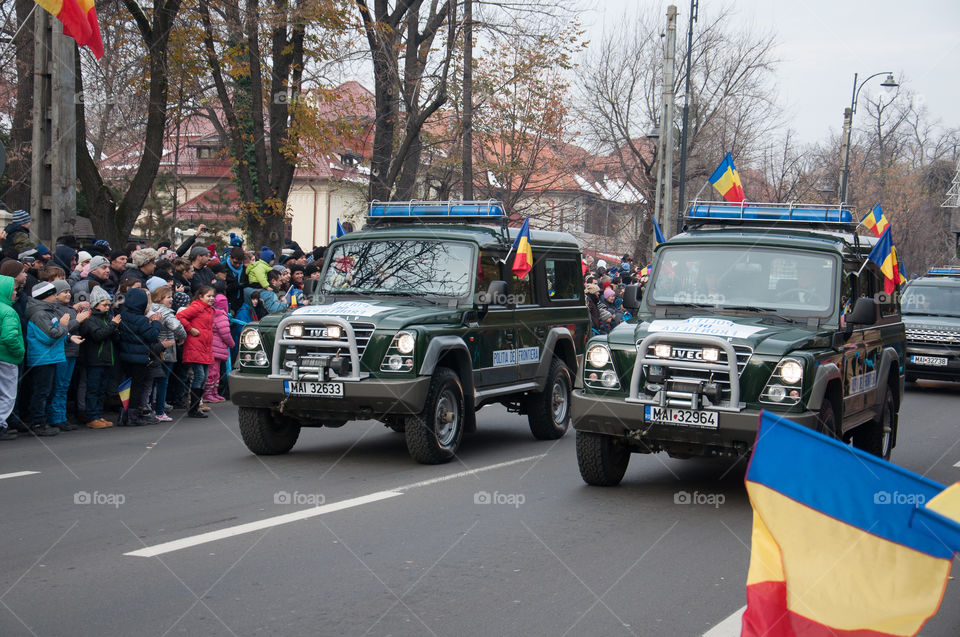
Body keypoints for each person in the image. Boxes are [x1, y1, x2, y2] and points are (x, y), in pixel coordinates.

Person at [24, 282, 71, 436]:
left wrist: (69, 337)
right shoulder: (39, 314)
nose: (55, 296)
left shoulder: (47, 311)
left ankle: (41, 420)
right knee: (41, 391)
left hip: (49, 357)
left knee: (47, 391)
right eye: (52, 294)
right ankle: (38, 423)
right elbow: (50, 336)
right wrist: (64, 325)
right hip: (42, 358)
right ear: (45, 296)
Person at [117, 287, 162, 425]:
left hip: (124, 355)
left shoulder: (123, 315)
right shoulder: (141, 320)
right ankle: (132, 416)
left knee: (126, 385)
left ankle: (122, 414)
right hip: (138, 358)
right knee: (137, 386)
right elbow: (152, 335)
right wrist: (156, 323)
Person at [48, 280, 90, 430]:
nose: (67, 294)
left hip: (72, 351)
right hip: (63, 351)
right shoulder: (55, 310)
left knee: (64, 385)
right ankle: (56, 417)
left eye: (68, 291)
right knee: (59, 386)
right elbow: (63, 330)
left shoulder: (68, 308)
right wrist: (77, 320)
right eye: (63, 292)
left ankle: (62, 416)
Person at [78, 286, 119, 428]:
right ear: (96, 304)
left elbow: (111, 336)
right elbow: (98, 335)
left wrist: (115, 328)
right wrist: (113, 325)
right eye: (104, 304)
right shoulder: (91, 319)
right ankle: (92, 416)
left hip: (107, 359)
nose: (108, 307)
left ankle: (99, 415)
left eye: (109, 304)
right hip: (94, 359)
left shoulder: (107, 318)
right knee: (93, 389)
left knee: (102, 390)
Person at [178, 285, 216, 418]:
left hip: (205, 346)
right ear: (201, 297)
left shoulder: (209, 309)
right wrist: (190, 328)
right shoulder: (196, 307)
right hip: (195, 345)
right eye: (208, 296)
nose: (211, 298)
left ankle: (196, 406)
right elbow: (180, 316)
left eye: (212, 296)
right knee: (199, 376)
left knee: (204, 377)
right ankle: (193, 408)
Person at [150, 286, 186, 422]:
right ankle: (159, 411)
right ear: (160, 298)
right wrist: (183, 336)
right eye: (168, 297)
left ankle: (149, 409)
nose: (171, 299)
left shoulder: (149, 309)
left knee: (151, 382)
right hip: (167, 350)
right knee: (162, 382)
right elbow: (177, 327)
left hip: (153, 348)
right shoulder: (166, 313)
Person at [0, 274, 24, 440]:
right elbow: (9, 337)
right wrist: (18, 353)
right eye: (14, 290)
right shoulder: (8, 311)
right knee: (8, 395)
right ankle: (1, 425)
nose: (16, 293)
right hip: (7, 358)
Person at [205, 294, 235, 403]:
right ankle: (209, 393)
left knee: (214, 371)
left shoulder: (211, 313)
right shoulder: (221, 315)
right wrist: (232, 344)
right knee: (213, 371)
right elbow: (225, 333)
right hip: (216, 348)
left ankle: (213, 392)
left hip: (211, 346)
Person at [224, 246, 247, 313]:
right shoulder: (224, 269)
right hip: (229, 303)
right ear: (230, 257)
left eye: (240, 263)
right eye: (235, 262)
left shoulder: (245, 269)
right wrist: (237, 285)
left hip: (241, 303)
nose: (237, 265)